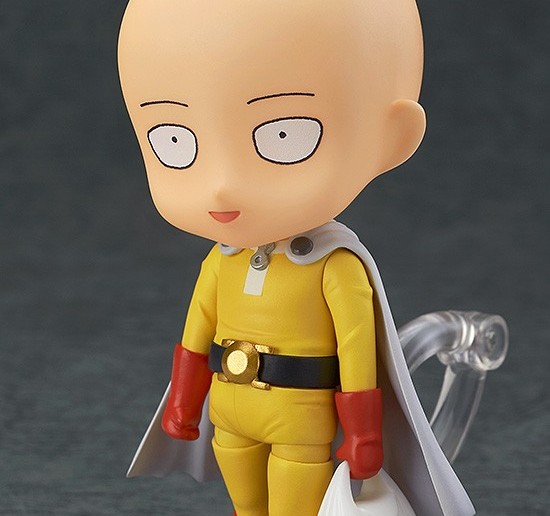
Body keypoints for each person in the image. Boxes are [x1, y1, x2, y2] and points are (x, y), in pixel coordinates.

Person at [118, 1, 475, 514]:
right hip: (230, 411)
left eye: (284, 136)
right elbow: (196, 334)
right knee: (245, 505)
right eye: (174, 142)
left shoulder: (334, 266)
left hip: (299, 416)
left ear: (391, 137)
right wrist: (183, 402)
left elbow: (357, 355)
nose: (221, 187)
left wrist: (364, 434)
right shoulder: (222, 261)